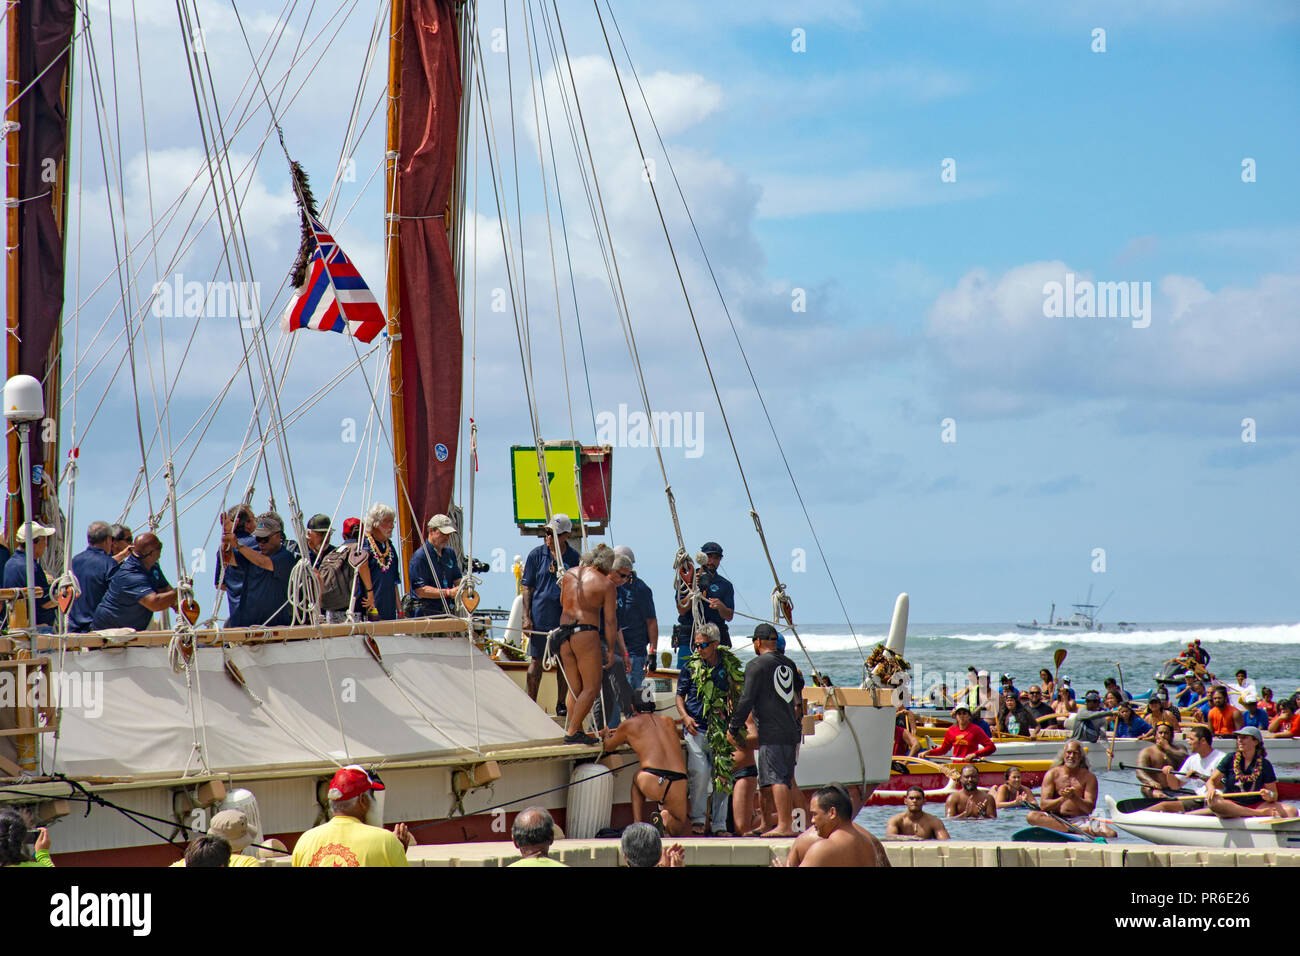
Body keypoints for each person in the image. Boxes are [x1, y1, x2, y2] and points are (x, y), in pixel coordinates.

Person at [727, 622, 805, 837]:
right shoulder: (788, 663)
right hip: (790, 730)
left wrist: (734, 726)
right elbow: (799, 685)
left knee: (778, 778)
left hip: (773, 731)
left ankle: (784, 825)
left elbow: (746, 698)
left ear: (758, 642)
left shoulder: (756, 665)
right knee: (768, 780)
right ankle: (765, 824)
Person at [600, 683, 689, 836]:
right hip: (679, 780)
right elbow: (678, 735)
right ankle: (665, 817)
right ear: (653, 705)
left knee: (636, 779)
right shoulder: (668, 721)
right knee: (679, 825)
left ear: (633, 708)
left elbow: (608, 746)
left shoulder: (628, 725)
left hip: (653, 779)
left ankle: (638, 825)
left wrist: (607, 734)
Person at [675, 623, 737, 836]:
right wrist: (685, 717)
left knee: (722, 777)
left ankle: (719, 825)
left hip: (720, 730)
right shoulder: (691, 667)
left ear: (716, 644)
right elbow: (679, 695)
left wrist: (730, 710)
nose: (698, 650)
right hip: (696, 730)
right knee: (700, 773)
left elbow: (736, 692)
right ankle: (699, 819)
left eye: (702, 645)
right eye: (696, 646)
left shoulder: (726, 667)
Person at [555, 543, 619, 744]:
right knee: (591, 687)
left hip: (563, 634)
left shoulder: (569, 574)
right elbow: (610, 621)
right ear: (608, 565)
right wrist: (610, 648)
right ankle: (573, 732)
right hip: (585, 633)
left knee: (575, 688)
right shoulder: (606, 584)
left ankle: (576, 730)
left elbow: (562, 601)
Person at [292, 766, 413, 866]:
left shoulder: (305, 841)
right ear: (362, 800)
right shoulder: (386, 842)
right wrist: (396, 851)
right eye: (372, 796)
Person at [520, 514, 580, 705]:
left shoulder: (574, 558)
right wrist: (525, 617)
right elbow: (527, 587)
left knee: (565, 662)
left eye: (553, 533)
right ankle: (531, 703)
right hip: (540, 617)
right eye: (546, 532)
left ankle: (561, 704)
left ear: (566, 535)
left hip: (563, 619)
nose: (548, 537)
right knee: (536, 661)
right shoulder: (536, 555)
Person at [1025, 741, 1116, 838]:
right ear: (1064, 755)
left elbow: (1089, 809)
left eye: (1075, 753)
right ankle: (1072, 830)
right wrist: (1062, 799)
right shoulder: (1052, 774)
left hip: (1080, 820)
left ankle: (1073, 829)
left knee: (1111, 834)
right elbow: (1044, 806)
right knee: (1031, 816)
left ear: (1080, 756)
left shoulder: (1089, 777)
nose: (1071, 756)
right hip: (1055, 819)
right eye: (1068, 752)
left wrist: (1074, 797)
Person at [1203, 727, 1297, 820]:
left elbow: (1274, 795)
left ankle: (1248, 813)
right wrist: (1211, 789)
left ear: (1255, 742)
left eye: (1244, 737)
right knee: (1214, 802)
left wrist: (1269, 796)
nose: (1239, 740)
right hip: (1231, 804)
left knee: (1291, 811)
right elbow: (1211, 781)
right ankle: (1257, 814)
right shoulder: (1230, 758)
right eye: (1238, 737)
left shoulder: (1265, 764)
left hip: (1256, 804)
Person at [91, 532, 178, 631]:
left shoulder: (153, 567)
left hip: (131, 629)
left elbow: (166, 591)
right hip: (109, 630)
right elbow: (154, 603)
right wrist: (179, 592)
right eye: (159, 547)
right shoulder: (131, 576)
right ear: (151, 554)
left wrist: (181, 605)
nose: (161, 549)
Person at [222, 513, 295, 628]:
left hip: (274, 630)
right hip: (248, 629)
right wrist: (226, 538)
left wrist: (238, 545)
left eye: (264, 539)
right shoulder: (253, 557)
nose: (260, 543)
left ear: (278, 536)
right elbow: (228, 559)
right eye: (258, 539)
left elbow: (264, 562)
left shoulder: (286, 557)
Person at [672, 541, 735, 664]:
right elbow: (681, 609)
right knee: (686, 674)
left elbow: (729, 616)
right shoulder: (687, 578)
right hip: (689, 636)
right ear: (702, 557)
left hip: (714, 638)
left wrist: (720, 606)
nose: (711, 561)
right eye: (709, 556)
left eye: (716, 558)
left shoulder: (725, 585)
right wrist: (693, 590)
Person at [797, 786, 880, 867]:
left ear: (832, 813)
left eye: (815, 814)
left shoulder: (822, 849)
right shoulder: (868, 845)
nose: (812, 820)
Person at [1146, 726, 1224, 812]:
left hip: (1217, 801)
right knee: (1163, 806)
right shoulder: (1192, 759)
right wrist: (1170, 773)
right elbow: (1175, 786)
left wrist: (1200, 776)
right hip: (1199, 800)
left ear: (1203, 741)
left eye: (1191, 739)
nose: (1189, 742)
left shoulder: (1221, 758)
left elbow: (1224, 786)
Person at [611, 547, 657, 689]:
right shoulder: (612, 587)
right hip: (614, 651)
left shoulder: (640, 589)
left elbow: (651, 621)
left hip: (634, 653)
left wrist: (653, 652)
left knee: (630, 698)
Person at [66, 521, 119, 632]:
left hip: (72, 630)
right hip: (96, 631)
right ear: (108, 539)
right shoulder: (109, 564)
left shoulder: (73, 562)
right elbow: (118, 596)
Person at [3, 522, 58, 627]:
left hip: (15, 626)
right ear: (34, 543)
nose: (46, 545)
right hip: (36, 630)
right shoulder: (32, 567)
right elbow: (45, 602)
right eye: (44, 540)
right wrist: (67, 595)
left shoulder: (10, 564)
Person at [407, 513, 462, 617]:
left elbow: (457, 578)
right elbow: (420, 590)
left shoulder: (450, 553)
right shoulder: (420, 557)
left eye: (449, 534)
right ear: (431, 531)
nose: (447, 537)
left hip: (446, 612)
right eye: (443, 533)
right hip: (425, 614)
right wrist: (448, 593)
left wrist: (464, 587)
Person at [356, 503, 401, 621]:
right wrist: (370, 593)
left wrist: (400, 610)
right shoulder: (365, 545)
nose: (392, 526)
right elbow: (362, 565)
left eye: (393, 522)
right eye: (388, 521)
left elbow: (394, 582)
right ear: (375, 523)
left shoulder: (390, 548)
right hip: (370, 608)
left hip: (389, 611)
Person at [215, 505, 256, 623]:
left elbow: (220, 585)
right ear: (247, 524)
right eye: (254, 519)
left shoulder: (223, 549)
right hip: (261, 618)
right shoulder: (257, 545)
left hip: (237, 618)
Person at [925, 704, 996, 761]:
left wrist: (975, 754)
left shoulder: (976, 730)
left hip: (971, 766)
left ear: (969, 716)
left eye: (964, 713)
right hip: (956, 766)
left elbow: (991, 747)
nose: (962, 716)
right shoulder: (951, 731)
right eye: (959, 714)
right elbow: (943, 750)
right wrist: (929, 752)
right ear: (956, 716)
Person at [1135, 723, 1188, 798]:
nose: (1163, 736)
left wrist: (1167, 747)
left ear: (1171, 735)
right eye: (1160, 733)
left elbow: (1187, 759)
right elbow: (1139, 771)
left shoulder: (1179, 749)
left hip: (1175, 788)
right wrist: (1151, 781)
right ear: (1155, 735)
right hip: (1154, 788)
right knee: (1146, 787)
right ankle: (1162, 797)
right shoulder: (1146, 752)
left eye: (1166, 733)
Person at [886, 786, 951, 839]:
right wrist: (909, 838)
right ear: (905, 801)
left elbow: (945, 841)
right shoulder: (895, 820)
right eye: (911, 798)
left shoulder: (934, 822)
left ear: (924, 801)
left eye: (918, 798)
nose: (914, 801)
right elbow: (889, 836)